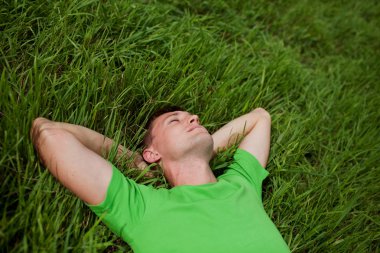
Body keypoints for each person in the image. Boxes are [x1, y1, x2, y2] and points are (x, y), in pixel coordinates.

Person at [31, 106, 290, 253]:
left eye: (193, 117)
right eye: (174, 121)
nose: (194, 118)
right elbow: (46, 132)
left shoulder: (241, 184)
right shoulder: (139, 206)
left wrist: (203, 152)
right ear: (152, 152)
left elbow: (260, 117)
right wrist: (135, 161)